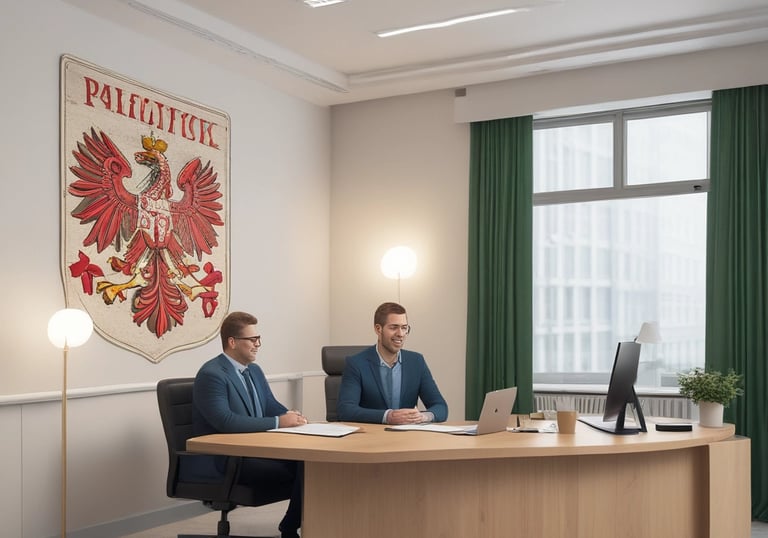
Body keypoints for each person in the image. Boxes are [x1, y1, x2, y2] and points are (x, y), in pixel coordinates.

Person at [191, 311, 306, 538]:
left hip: (257, 451)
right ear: (232, 342)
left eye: (258, 339)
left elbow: (270, 405)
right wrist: (278, 422)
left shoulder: (253, 370)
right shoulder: (211, 374)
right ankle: (290, 529)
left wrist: (291, 417)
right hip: (228, 460)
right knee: (306, 467)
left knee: (310, 462)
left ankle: (293, 526)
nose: (257, 344)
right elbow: (226, 421)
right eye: (252, 340)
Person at [337, 302, 448, 424]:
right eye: (394, 327)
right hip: (371, 438)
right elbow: (346, 410)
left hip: (408, 438)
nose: (400, 334)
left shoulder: (416, 362)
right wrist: (388, 416)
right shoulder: (356, 364)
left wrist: (423, 417)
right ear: (378, 329)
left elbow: (441, 407)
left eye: (404, 328)